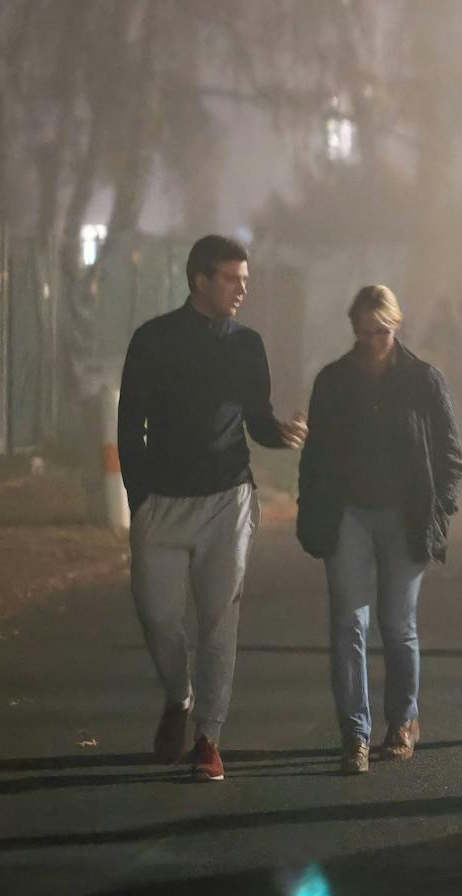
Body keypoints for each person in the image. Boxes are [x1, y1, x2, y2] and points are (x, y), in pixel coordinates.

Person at [117, 234, 308, 782]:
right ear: (200, 279)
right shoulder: (153, 339)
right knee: (157, 616)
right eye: (231, 278)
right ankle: (178, 697)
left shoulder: (247, 345)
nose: (242, 288)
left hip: (228, 499)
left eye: (245, 279)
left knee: (219, 621)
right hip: (161, 502)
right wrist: (139, 498)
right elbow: (130, 426)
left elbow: (257, 421)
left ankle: (208, 737)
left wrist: (283, 433)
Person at [296, 285, 462, 774]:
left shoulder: (423, 380)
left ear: (397, 325)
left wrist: (439, 514)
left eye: (381, 332)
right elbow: (315, 455)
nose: (372, 342)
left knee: (397, 624)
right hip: (347, 511)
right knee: (349, 622)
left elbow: (450, 455)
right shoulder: (334, 380)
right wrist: (312, 511)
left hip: (406, 515)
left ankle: (403, 720)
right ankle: (355, 734)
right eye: (364, 332)